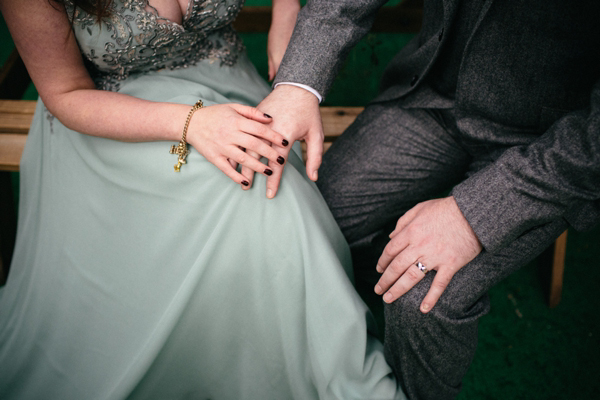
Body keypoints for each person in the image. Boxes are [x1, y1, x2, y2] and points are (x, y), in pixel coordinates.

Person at [0, 0, 407, 399]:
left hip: (230, 82)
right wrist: (193, 122)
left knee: (266, 175)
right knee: (257, 189)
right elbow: (66, 93)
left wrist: (287, 14)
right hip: (120, 118)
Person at [256, 0, 600, 398]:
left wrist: (473, 215)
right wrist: (299, 84)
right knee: (311, 220)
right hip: (433, 95)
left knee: (422, 298)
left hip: (547, 137)